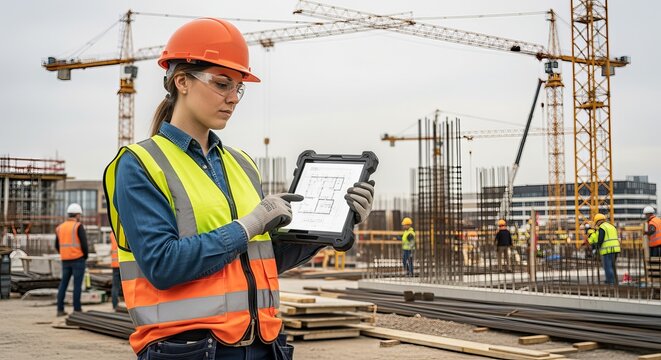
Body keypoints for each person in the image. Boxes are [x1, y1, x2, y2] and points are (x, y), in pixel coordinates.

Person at [103, 17, 375, 359]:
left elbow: (260, 261)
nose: (233, 98)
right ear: (182, 81)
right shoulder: (140, 163)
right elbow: (163, 265)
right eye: (222, 84)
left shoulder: (241, 164)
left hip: (264, 346)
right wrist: (250, 224)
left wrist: (334, 224)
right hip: (188, 350)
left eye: (238, 87)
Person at [55, 203, 88, 317]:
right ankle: (77, 310)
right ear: (77, 215)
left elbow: (56, 245)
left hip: (65, 260)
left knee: (63, 284)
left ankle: (60, 309)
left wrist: (64, 253)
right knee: (77, 285)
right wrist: (85, 256)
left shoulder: (60, 227)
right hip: (78, 259)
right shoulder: (78, 226)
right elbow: (84, 244)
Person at [588, 213, 621, 285]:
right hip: (616, 249)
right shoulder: (612, 226)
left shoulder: (602, 227)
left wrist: (596, 247)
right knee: (612, 266)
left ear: (598, 221)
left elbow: (600, 239)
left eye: (596, 222)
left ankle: (610, 281)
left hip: (607, 249)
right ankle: (614, 281)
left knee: (607, 266)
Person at [109, 232, 121, 310]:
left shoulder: (112, 233)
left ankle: (115, 304)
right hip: (124, 263)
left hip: (115, 263)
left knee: (115, 286)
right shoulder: (124, 231)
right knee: (128, 285)